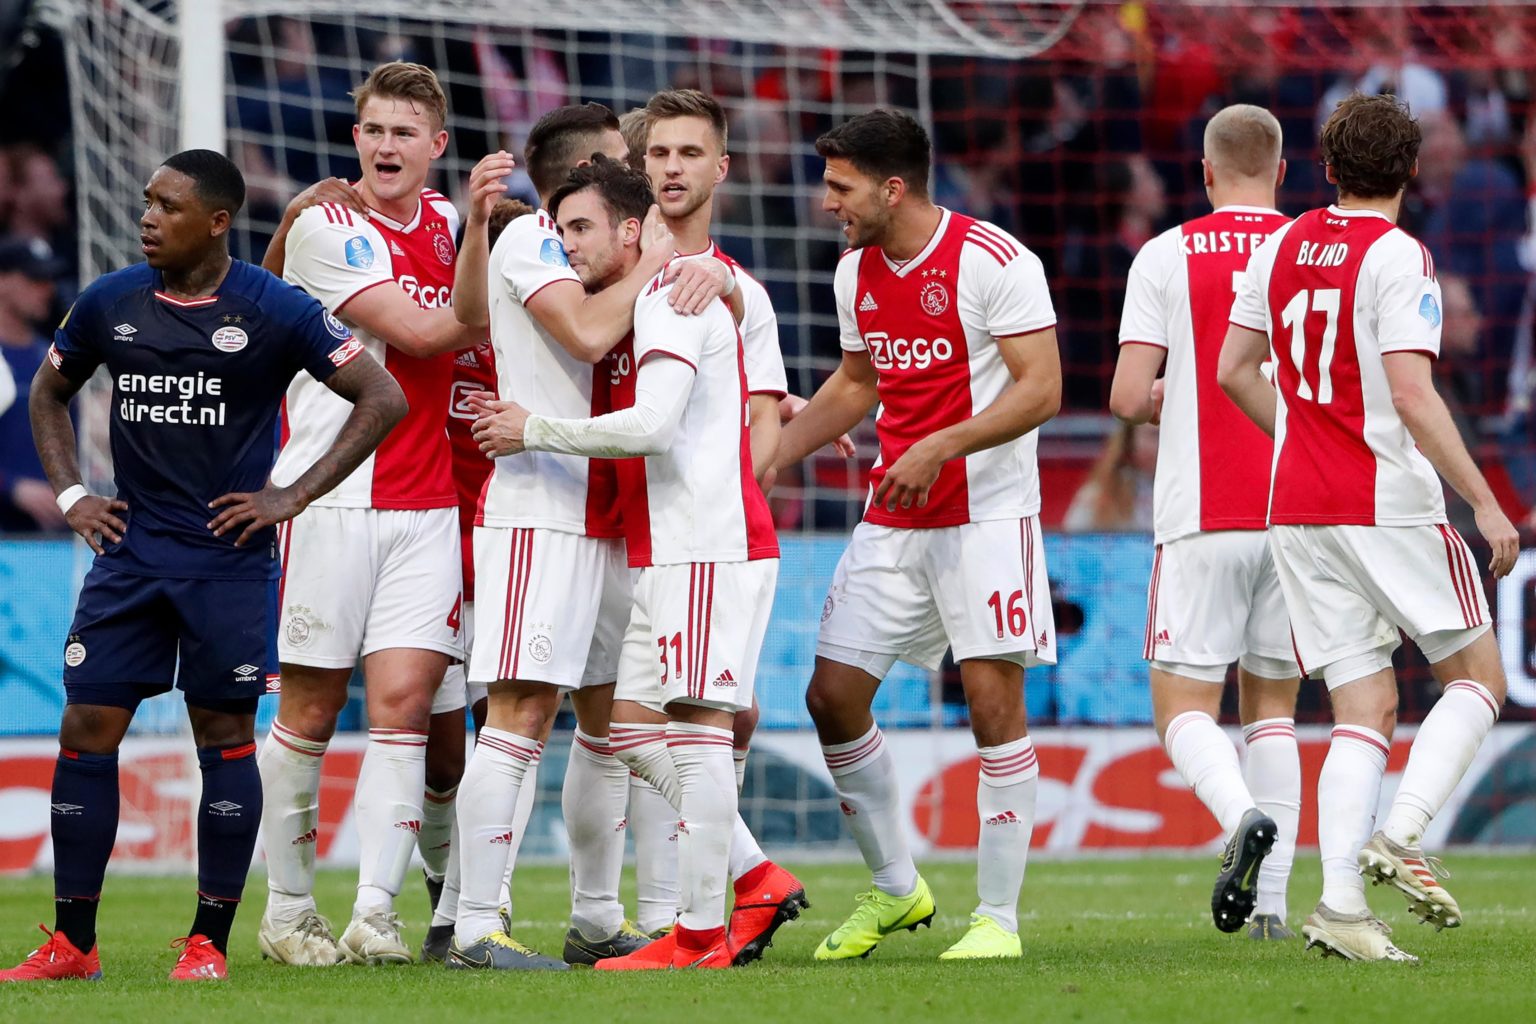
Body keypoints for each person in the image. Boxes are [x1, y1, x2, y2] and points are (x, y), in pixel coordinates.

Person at [0, 150, 404, 984]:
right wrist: (74, 492)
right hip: (129, 554)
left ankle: (207, 945)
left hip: (227, 563)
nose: (148, 218)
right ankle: (73, 944)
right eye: (147, 202)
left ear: (218, 221)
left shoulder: (273, 307)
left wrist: (289, 495)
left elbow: (382, 396)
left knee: (222, 737)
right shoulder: (110, 301)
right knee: (86, 729)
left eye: (169, 206)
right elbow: (48, 394)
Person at [1219, 93, 1518, 964]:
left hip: (1298, 507)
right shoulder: (1400, 257)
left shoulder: (1276, 244)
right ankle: (1408, 834)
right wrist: (1486, 502)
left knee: (1365, 707)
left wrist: (1303, 436)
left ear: (1325, 168)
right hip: (1385, 500)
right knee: (1478, 679)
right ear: (1412, 172)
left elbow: (1236, 370)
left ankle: (1343, 905)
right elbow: (1414, 395)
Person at [470, 157, 782, 971]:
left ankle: (701, 934)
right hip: (664, 546)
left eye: (580, 228)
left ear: (631, 229)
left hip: (702, 543)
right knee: (636, 727)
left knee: (700, 731)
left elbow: (651, 426)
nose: (565, 244)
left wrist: (533, 428)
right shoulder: (668, 287)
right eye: (560, 227)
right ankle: (748, 881)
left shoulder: (671, 295)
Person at [773, 109, 1061, 961]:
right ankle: (898, 891)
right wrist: (772, 458)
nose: (828, 202)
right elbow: (859, 381)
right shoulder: (854, 271)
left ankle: (998, 922)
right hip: (895, 516)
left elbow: (1041, 389)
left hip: (987, 513)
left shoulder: (995, 260)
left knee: (991, 704)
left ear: (891, 187)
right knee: (831, 697)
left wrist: (940, 443)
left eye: (840, 185)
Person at [253, 61, 494, 967]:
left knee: (403, 712)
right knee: (311, 712)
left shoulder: (443, 224)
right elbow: (429, 336)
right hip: (330, 496)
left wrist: (477, 244)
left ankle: (377, 915)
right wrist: (486, 277)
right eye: (373, 130)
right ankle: (286, 911)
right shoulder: (327, 224)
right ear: (355, 137)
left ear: (436, 145)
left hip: (427, 504)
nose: (386, 146)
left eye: (405, 132)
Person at [1110, 103, 1302, 939]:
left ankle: (1237, 821)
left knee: (1184, 707)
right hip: (1302, 513)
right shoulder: (1317, 249)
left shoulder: (1165, 252)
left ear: (1206, 172)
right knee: (1275, 712)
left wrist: (1170, 398)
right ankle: (1276, 909)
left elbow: (1124, 397)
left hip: (1201, 512)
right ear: (1284, 174)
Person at [416, 196, 533, 963]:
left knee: (508, 728)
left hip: (511, 551)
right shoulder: (433, 336)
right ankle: (439, 878)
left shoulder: (554, 341)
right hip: (428, 548)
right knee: (438, 756)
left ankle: (472, 906)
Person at [0, 236, 68, 531]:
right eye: (35, 279)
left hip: (58, 530)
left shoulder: (55, 355)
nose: (47, 289)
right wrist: (12, 487)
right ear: (3, 281)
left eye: (50, 279)